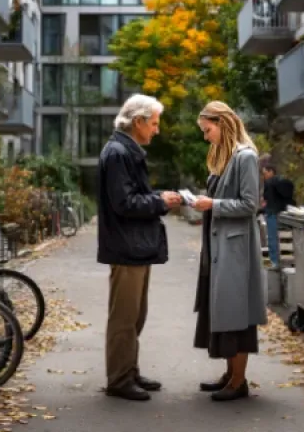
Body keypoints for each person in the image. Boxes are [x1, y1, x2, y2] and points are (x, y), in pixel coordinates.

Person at [97, 94, 182, 402]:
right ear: (138, 122)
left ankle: (128, 371)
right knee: (125, 317)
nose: (157, 130)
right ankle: (120, 378)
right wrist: (159, 201)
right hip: (127, 246)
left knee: (135, 314)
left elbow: (129, 197)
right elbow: (124, 203)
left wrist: (159, 198)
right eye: (155, 123)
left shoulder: (123, 150)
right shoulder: (119, 152)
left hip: (132, 245)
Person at [190, 101, 268, 402]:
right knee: (223, 311)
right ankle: (230, 375)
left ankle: (238, 381)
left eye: (207, 130)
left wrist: (213, 205)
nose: (206, 136)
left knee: (236, 314)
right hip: (221, 247)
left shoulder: (245, 157)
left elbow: (250, 204)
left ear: (222, 123)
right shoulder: (228, 158)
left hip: (235, 250)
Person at [261, 164, 295, 271]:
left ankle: (274, 262)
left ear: (271, 172)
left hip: (272, 212)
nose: (264, 176)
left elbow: (267, 199)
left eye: (265, 173)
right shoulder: (282, 181)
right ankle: (288, 261)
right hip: (282, 212)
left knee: (272, 238)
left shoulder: (269, 183)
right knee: (285, 238)